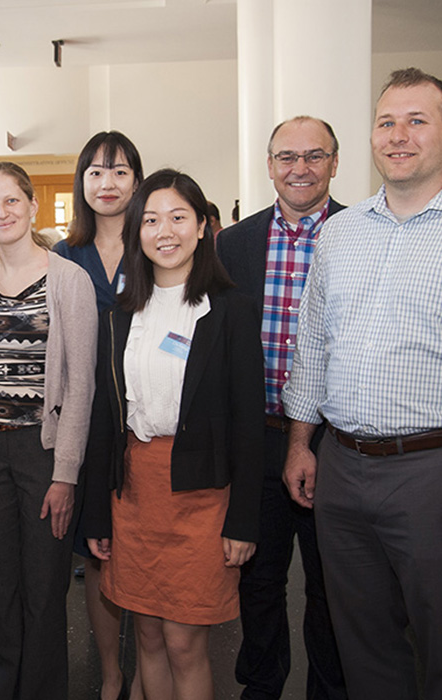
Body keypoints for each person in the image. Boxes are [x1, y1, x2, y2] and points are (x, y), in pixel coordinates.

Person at [282, 67, 442, 700]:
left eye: (418, 120)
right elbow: (313, 345)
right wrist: (300, 443)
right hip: (342, 468)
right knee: (362, 641)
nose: (398, 135)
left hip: (429, 471)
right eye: (386, 122)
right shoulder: (340, 233)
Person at [83, 169, 264, 700]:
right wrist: (97, 512)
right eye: (153, 219)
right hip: (135, 493)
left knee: (185, 641)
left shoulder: (230, 311)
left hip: (203, 495)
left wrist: (244, 521)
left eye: (179, 217)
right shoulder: (120, 315)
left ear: (204, 226)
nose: (166, 231)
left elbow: (249, 424)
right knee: (148, 636)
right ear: (136, 231)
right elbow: (103, 421)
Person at [217, 116, 347, 700]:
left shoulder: (360, 233)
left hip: (334, 442)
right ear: (269, 165)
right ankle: (262, 685)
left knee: (331, 583)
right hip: (257, 436)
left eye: (314, 156)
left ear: (334, 164)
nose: (300, 168)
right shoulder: (233, 244)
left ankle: (329, 688)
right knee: (259, 578)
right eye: (287, 157)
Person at [0, 161, 97, 700]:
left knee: (43, 588)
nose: (2, 213)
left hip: (43, 450)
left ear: (32, 204)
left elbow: (80, 386)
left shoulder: (69, 280)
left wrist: (65, 474)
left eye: (11, 201)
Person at [54, 130, 144, 700]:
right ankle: (111, 670)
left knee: (147, 544)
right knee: (98, 546)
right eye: (95, 172)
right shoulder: (63, 257)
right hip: (87, 424)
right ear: (81, 182)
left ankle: (147, 668)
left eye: (119, 172)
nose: (106, 184)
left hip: (148, 421)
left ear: (137, 180)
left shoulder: (157, 243)